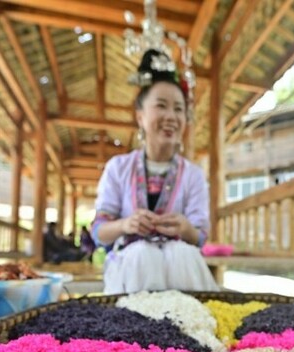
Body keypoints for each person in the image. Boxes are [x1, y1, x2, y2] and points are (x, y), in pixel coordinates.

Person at [90, 49, 219, 294]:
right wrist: (126, 225)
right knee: (142, 255)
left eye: (179, 109)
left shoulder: (193, 175)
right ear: (140, 116)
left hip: (180, 269)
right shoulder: (118, 168)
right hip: (131, 269)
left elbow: (200, 236)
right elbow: (99, 231)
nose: (171, 116)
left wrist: (185, 229)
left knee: (181, 253)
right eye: (161, 106)